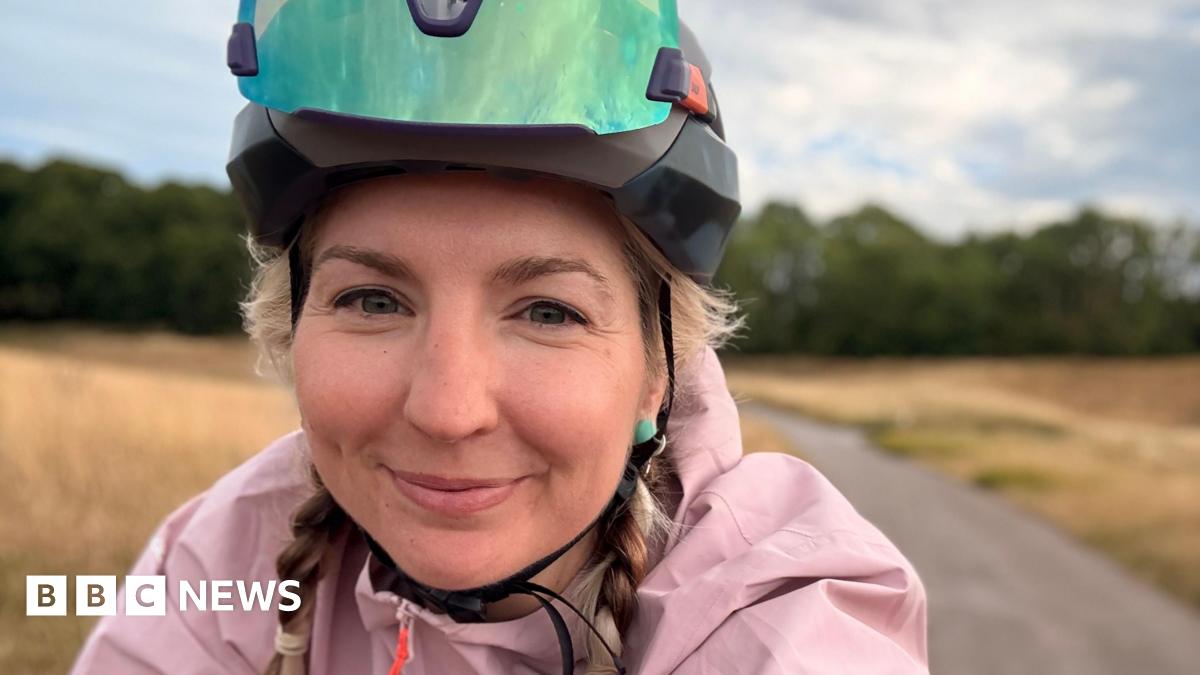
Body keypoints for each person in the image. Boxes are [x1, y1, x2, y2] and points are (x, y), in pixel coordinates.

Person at [72, 1, 927, 673]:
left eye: (548, 312)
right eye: (373, 300)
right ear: (289, 325)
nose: (448, 411)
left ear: (657, 370)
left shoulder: (776, 609)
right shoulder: (226, 552)